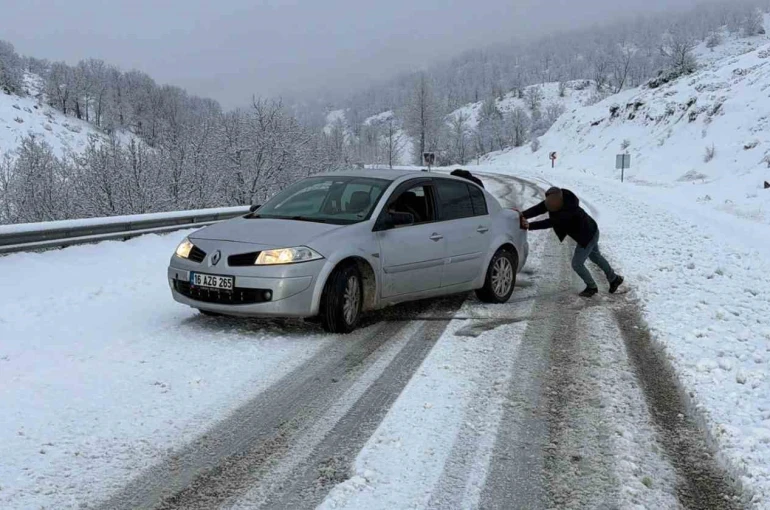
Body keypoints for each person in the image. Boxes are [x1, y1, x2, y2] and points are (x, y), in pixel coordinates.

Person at [519, 187, 624, 297]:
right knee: (595, 257)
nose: (551, 204)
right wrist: (522, 214)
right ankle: (614, 279)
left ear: (560, 199)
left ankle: (591, 287)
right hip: (591, 229)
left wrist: (530, 225)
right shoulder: (556, 200)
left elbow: (551, 222)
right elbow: (539, 208)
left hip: (587, 236)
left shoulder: (569, 210)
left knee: (577, 264)